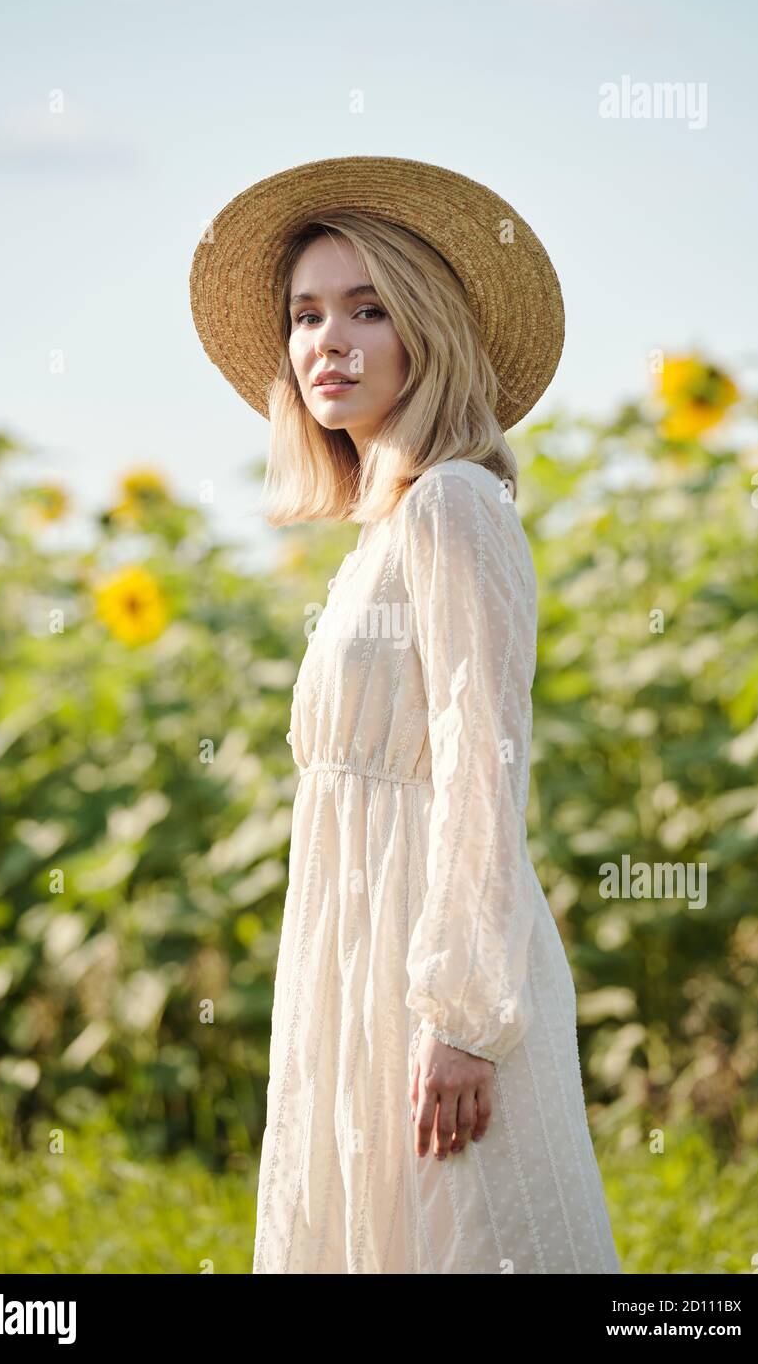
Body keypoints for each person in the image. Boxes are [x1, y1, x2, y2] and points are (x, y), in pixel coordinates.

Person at [189, 156, 622, 1274]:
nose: (327, 341)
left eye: (367, 308)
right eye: (306, 313)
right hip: (354, 958)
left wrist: (464, 1014)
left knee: (469, 1243)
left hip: (434, 971)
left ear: (422, 332)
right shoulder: (383, 530)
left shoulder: (452, 505)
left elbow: (484, 757)